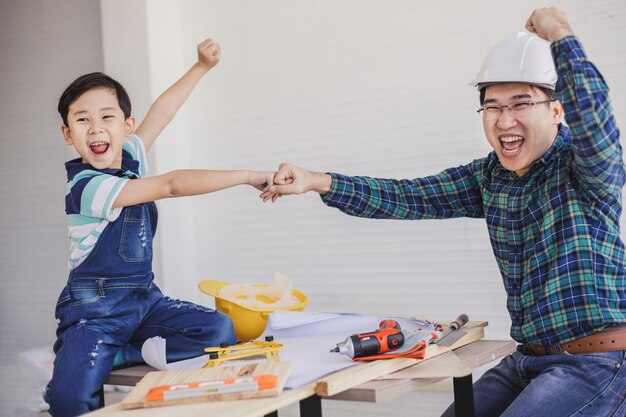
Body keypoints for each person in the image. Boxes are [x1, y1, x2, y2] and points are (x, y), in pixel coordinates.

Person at [264, 7, 626, 417]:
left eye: (521, 103)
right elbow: (408, 196)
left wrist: (558, 32)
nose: (504, 120)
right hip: (527, 359)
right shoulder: (490, 176)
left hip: (598, 363)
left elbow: (594, 111)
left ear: (557, 110)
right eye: (492, 107)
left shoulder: (587, 166)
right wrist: (319, 181)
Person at [44, 38, 275, 416]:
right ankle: (93, 351)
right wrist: (248, 175)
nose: (96, 128)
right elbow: (172, 185)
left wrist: (200, 67)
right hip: (94, 314)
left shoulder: (130, 157)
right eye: (82, 119)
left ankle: (124, 352)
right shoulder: (87, 187)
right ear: (68, 134)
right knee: (68, 402)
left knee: (219, 331)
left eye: (107, 117)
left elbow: (162, 113)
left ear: (126, 125)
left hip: (144, 301)